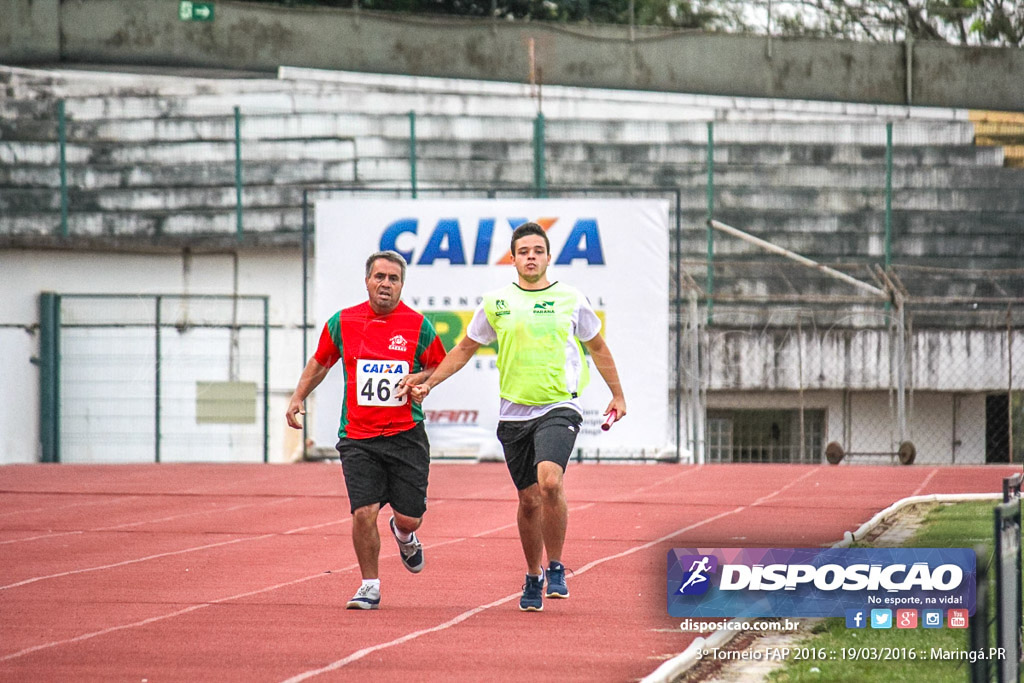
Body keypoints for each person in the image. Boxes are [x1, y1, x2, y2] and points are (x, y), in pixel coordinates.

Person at [407, 222, 626, 612]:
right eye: (523, 251)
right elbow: (463, 349)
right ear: (513, 258)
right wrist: (431, 383)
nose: (530, 257)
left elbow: (598, 347)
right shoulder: (496, 302)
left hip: (559, 405)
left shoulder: (570, 299)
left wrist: (618, 394)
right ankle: (532, 574)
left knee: (549, 482)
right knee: (528, 501)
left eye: (537, 250)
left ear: (547, 257)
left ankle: (556, 565)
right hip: (514, 414)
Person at [286, 250, 446, 610]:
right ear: (367, 280)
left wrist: (421, 381)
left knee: (410, 515)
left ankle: (404, 534)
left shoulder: (418, 325)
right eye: (380, 277)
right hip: (358, 436)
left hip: (406, 434)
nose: (386, 284)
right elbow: (320, 362)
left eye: (393, 279)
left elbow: (439, 366)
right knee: (364, 512)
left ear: (402, 285)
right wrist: (298, 396)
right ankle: (369, 585)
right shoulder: (343, 322)